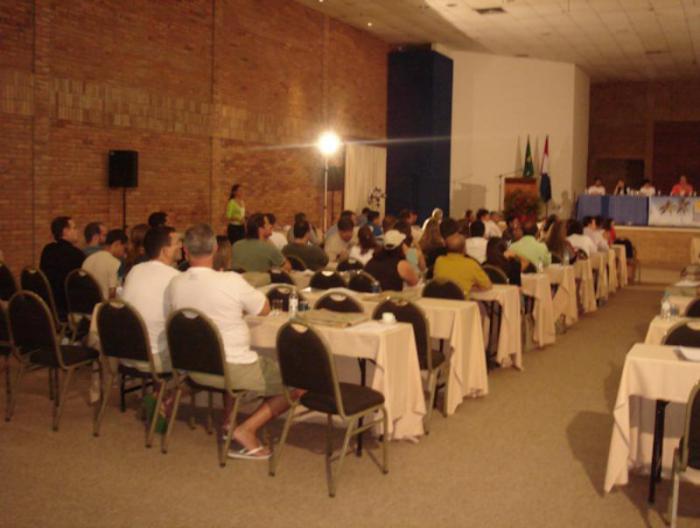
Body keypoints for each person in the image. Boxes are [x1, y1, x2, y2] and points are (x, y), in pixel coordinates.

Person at [168, 224, 300, 459]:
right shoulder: (230, 281)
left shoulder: (175, 284)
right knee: (297, 380)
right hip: (232, 369)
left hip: (195, 369)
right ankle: (246, 429)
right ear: (215, 249)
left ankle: (229, 421)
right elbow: (264, 309)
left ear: (186, 251)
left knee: (235, 352)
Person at [121, 226, 181, 373]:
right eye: (177, 243)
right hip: (154, 359)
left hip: (125, 354)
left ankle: (158, 388)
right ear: (165, 250)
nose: (181, 246)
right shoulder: (175, 278)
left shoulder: (135, 270)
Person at [39, 216, 86, 320]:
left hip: (49, 305)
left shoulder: (47, 250)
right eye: (74, 228)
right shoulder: (76, 255)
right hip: (68, 306)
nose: (77, 231)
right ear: (65, 231)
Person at [433, 218, 492, 296]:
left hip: (441, 300)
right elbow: (487, 285)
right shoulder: (471, 264)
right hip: (462, 301)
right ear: (464, 249)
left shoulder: (439, 261)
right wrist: (469, 288)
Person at [82, 229, 128, 299]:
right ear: (117, 243)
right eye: (124, 248)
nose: (124, 252)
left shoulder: (89, 259)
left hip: (85, 301)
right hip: (103, 303)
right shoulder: (114, 262)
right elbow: (112, 292)